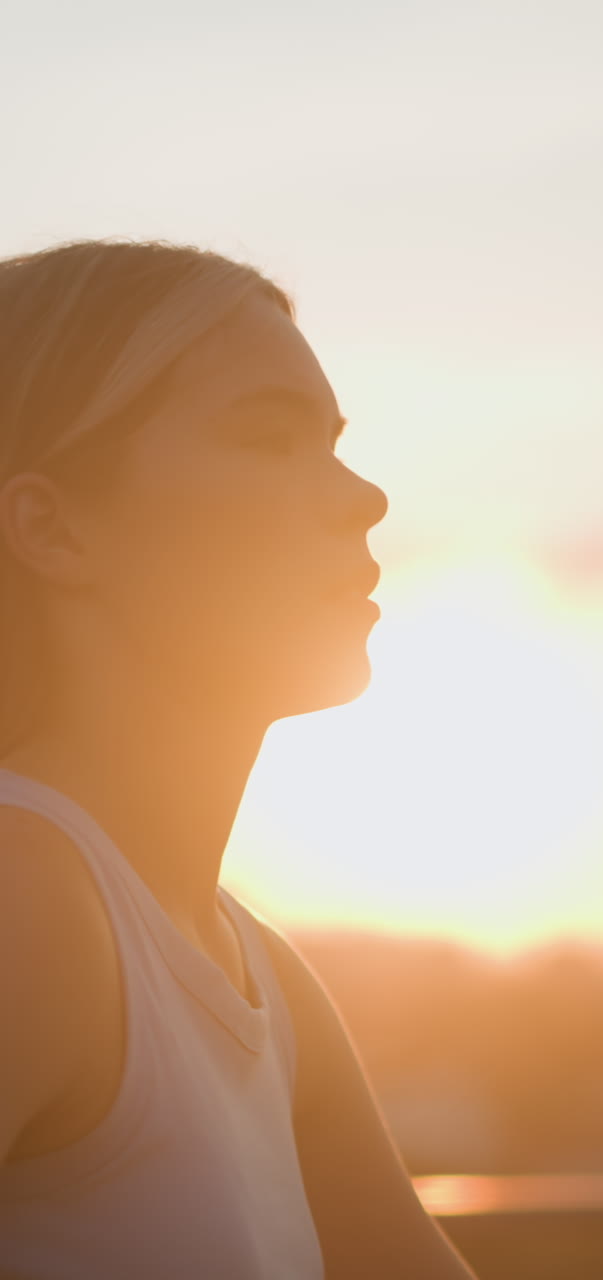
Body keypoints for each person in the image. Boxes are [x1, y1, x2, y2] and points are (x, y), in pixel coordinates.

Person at [0, 240, 477, 1278]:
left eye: (337, 445)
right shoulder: (25, 895)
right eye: (270, 439)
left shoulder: (259, 973)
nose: (365, 498)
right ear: (53, 526)